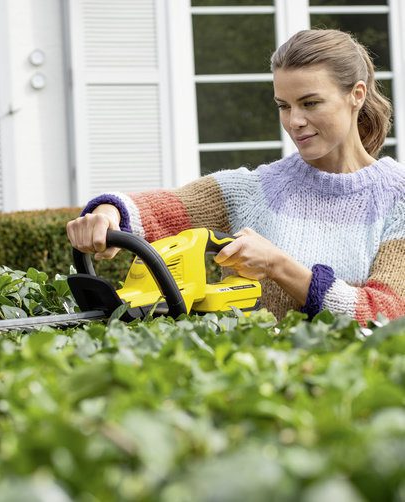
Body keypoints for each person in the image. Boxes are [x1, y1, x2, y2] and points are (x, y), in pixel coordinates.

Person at [67, 29, 405, 325]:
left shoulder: (397, 197)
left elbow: (386, 314)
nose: (294, 121)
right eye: (283, 106)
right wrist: (108, 214)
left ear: (356, 95)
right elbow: (161, 209)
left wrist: (279, 266)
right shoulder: (257, 190)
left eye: (310, 103)